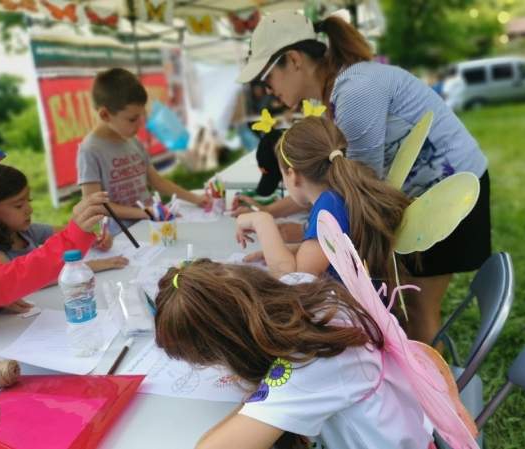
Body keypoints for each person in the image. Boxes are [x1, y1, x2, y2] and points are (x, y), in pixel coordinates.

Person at [236, 10, 492, 344]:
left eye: (265, 77)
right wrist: (272, 216)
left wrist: (299, 234)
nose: (266, 89)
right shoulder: (343, 88)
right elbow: (343, 188)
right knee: (407, 307)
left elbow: (357, 193)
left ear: (294, 60)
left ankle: (432, 392)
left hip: (447, 196)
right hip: (425, 193)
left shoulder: (355, 91)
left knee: (419, 312)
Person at [154, 260, 436, 449]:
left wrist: (253, 402)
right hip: (410, 422)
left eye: (214, 360)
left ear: (230, 347)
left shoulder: (305, 364)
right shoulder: (300, 289)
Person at [235, 116, 409, 283]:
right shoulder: (340, 197)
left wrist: (262, 221)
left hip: (347, 311)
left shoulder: (328, 208)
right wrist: (281, 251)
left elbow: (296, 281)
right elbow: (333, 253)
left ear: (292, 175)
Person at [78, 67, 209, 234]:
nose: (140, 123)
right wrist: (144, 213)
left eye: (142, 115)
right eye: (132, 119)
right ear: (105, 115)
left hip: (151, 225)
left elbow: (157, 181)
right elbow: (95, 205)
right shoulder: (90, 151)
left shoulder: (133, 140)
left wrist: (196, 199)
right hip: (123, 238)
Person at [0, 164, 128, 275]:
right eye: (19, 206)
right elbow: (20, 279)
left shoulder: (26, 232)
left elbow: (68, 234)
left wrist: (97, 238)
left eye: (29, 200)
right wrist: (94, 265)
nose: (30, 210)